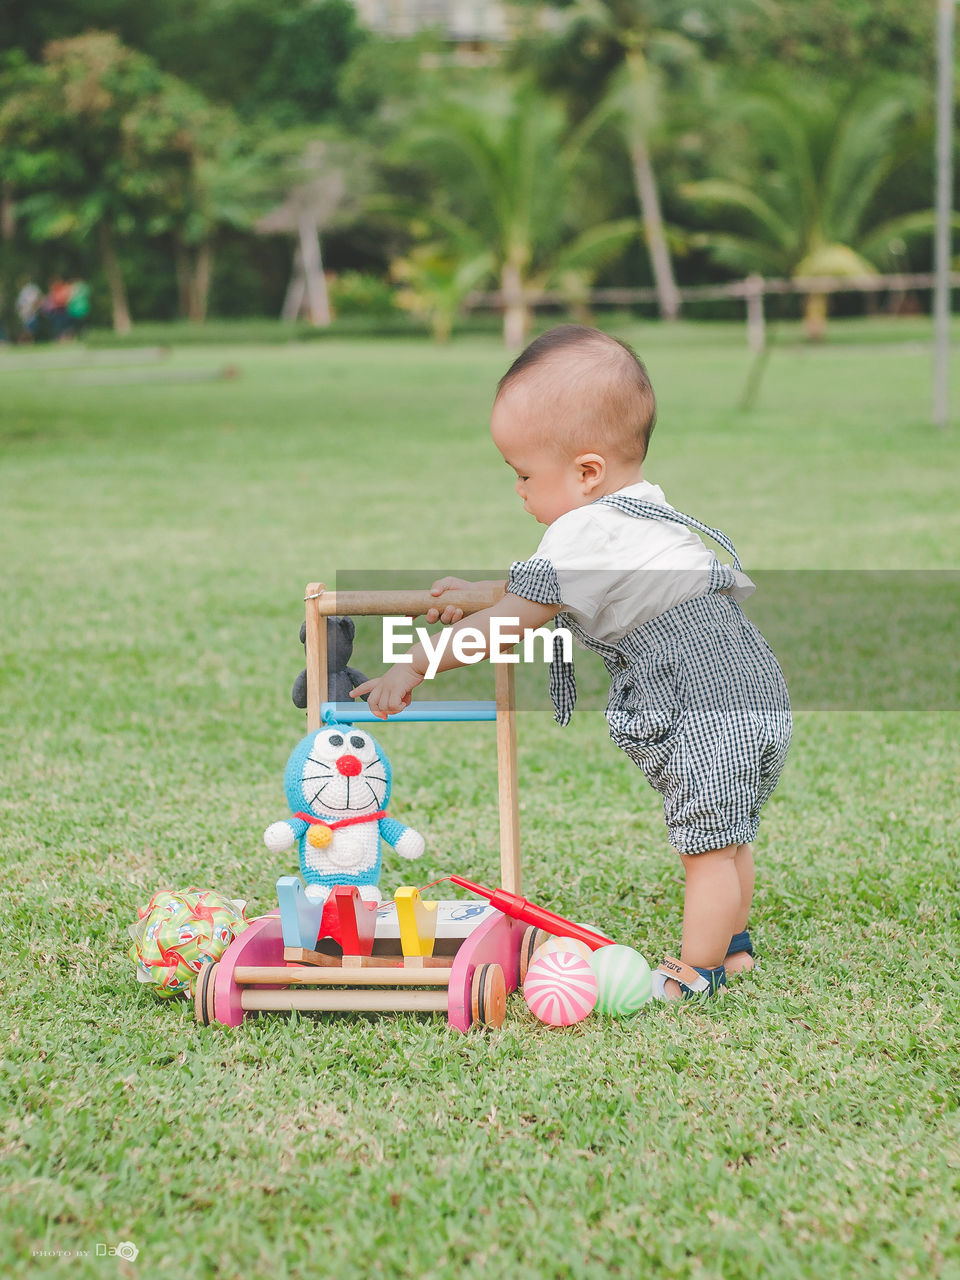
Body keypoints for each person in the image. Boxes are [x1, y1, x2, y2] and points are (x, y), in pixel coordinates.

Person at [350, 325, 792, 1000]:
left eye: (525, 475)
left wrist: (414, 663)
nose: (520, 493)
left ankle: (695, 970)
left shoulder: (581, 529)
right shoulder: (646, 510)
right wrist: (477, 593)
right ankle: (732, 950)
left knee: (703, 848)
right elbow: (548, 590)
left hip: (700, 697)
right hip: (753, 682)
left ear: (587, 472)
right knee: (727, 833)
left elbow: (508, 626)